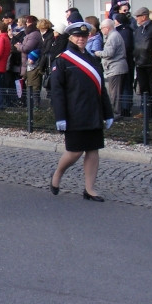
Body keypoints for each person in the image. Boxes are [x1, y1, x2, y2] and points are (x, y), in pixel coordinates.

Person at [49, 21, 114, 202]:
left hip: (93, 112)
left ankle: (89, 189)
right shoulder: (62, 60)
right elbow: (57, 91)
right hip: (74, 113)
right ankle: (58, 174)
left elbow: (101, 89)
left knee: (93, 150)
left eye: (84, 37)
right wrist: (60, 117)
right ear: (70, 37)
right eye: (77, 36)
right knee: (75, 152)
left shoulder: (93, 59)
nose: (81, 39)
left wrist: (108, 113)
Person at [132, 6, 152, 119]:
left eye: (138, 17)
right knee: (143, 89)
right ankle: (146, 111)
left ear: (144, 17)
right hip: (140, 63)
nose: (136, 19)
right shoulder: (137, 30)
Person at [94, 19, 127, 118]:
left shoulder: (112, 37)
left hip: (115, 68)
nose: (101, 31)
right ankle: (116, 112)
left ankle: (115, 113)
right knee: (115, 92)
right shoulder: (115, 35)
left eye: (102, 28)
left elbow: (109, 53)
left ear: (106, 28)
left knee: (114, 93)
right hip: (116, 67)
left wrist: (97, 53)